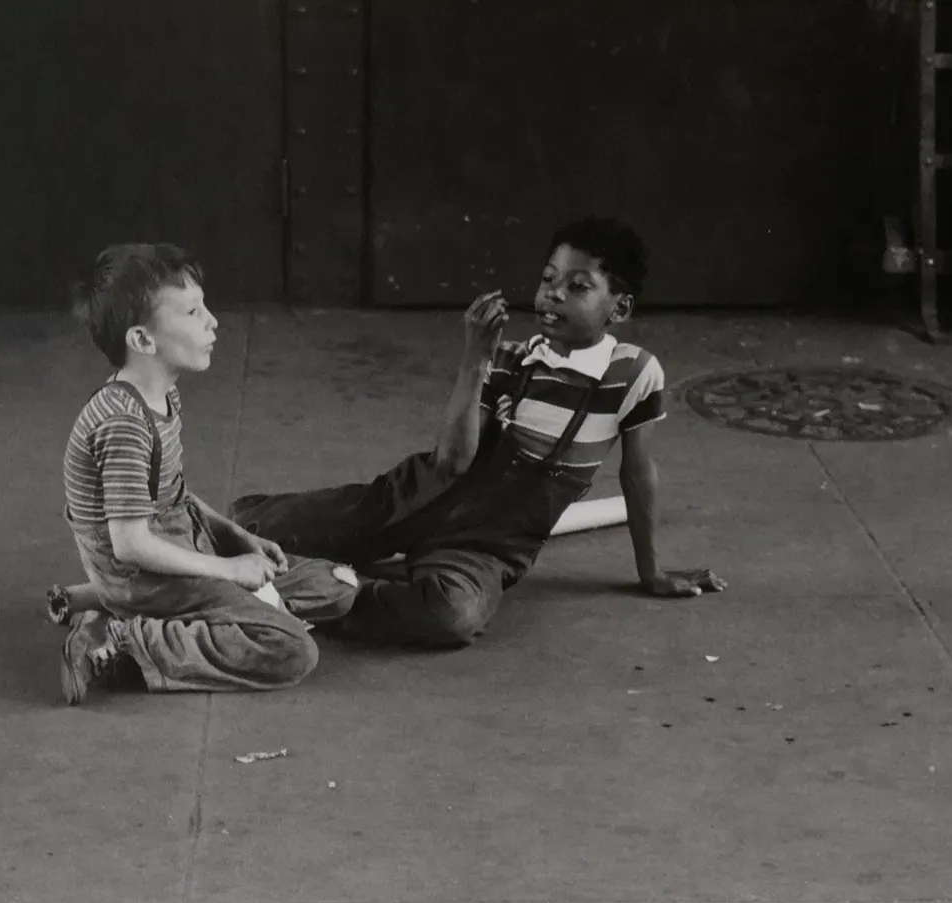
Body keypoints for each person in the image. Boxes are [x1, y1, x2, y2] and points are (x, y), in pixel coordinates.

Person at [228, 216, 725, 647]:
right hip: (415, 499)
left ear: (618, 309)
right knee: (249, 530)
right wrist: (475, 360)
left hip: (487, 547)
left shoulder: (634, 374)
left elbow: (638, 476)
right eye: (549, 278)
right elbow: (451, 464)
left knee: (452, 616)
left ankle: (319, 590)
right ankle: (292, 563)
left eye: (578, 286)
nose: (553, 292)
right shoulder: (508, 358)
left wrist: (650, 572)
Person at [50, 243, 357, 703]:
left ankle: (93, 601)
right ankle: (121, 639)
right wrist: (229, 570)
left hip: (181, 546)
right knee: (292, 651)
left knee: (338, 586)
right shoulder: (123, 424)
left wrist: (235, 536)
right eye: (193, 312)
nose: (212, 321)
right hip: (144, 578)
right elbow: (130, 544)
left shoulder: (160, 396)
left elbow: (173, 495)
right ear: (142, 341)